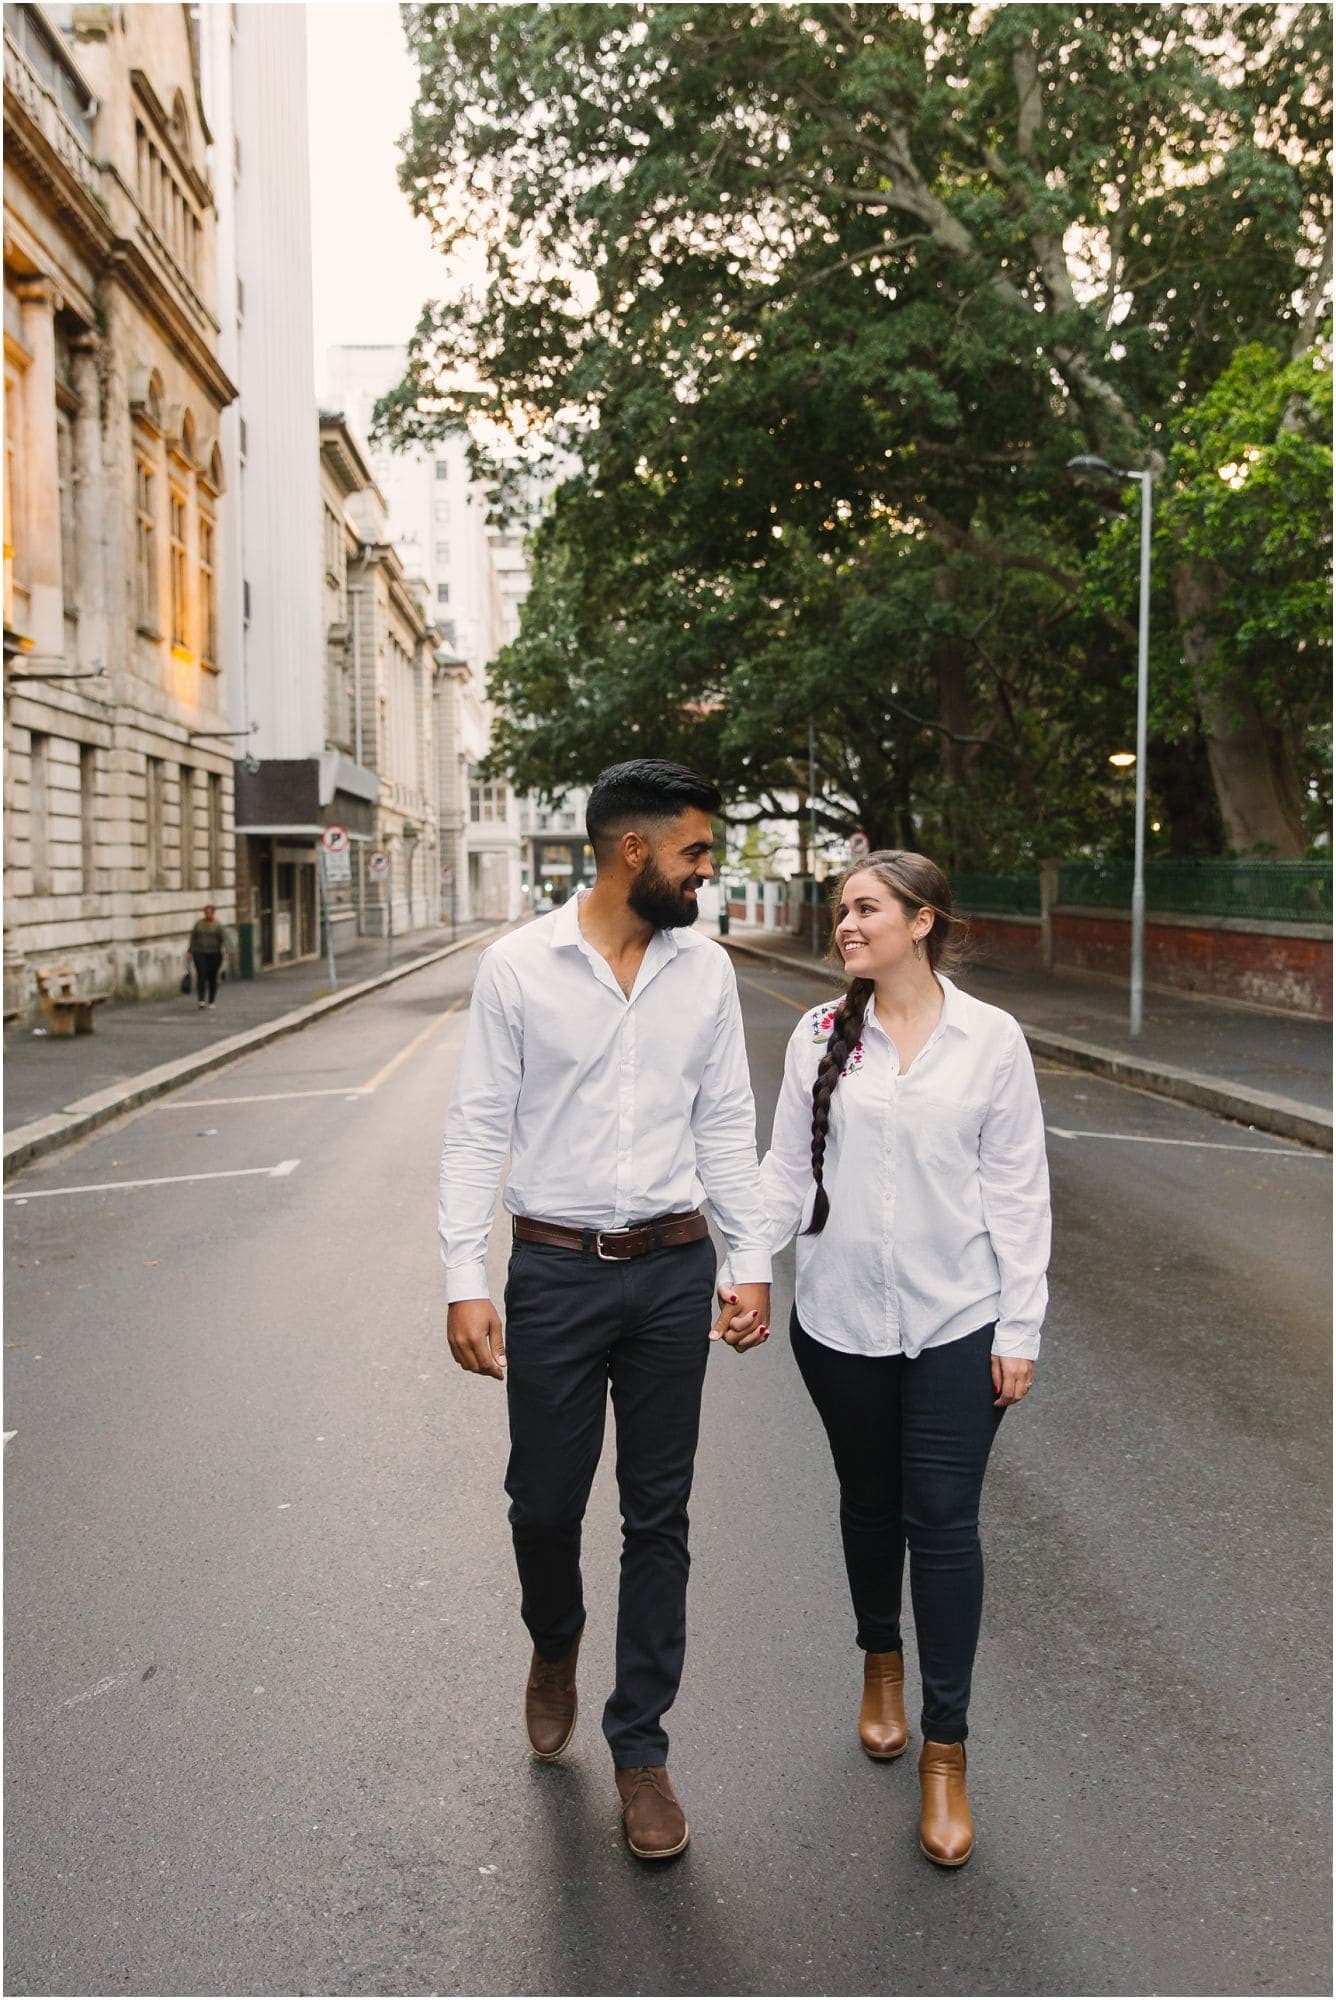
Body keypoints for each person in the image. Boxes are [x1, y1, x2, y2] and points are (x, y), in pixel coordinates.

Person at [439, 759, 771, 1861]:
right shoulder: (517, 968)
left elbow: (725, 1121)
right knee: (542, 1505)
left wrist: (750, 1258)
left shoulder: (705, 970)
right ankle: (555, 1638)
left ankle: (641, 1749)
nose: (706, 869)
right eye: (695, 851)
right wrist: (463, 1274)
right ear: (635, 851)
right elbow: (478, 1125)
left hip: (673, 1268)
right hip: (555, 1272)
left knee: (657, 1515)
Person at [714, 850, 1050, 1868]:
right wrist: (745, 1269)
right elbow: (785, 1172)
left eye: (866, 907)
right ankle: (879, 1662)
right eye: (841, 909)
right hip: (841, 1320)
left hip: (958, 1317)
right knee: (868, 1502)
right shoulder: (823, 1033)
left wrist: (1020, 1326)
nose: (846, 924)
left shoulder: (991, 1040)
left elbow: (1018, 1191)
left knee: (942, 1522)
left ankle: (945, 1752)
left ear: (922, 920)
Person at [187, 905, 227, 1009]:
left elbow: (225, 938)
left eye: (209, 912)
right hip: (199, 952)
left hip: (214, 953)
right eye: (206, 912)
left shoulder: (218, 925)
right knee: (201, 974)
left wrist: (227, 949)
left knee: (212, 977)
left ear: (213, 913)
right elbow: (193, 938)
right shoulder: (199, 924)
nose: (208, 914)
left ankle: (211, 1000)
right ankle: (201, 1000)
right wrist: (190, 951)